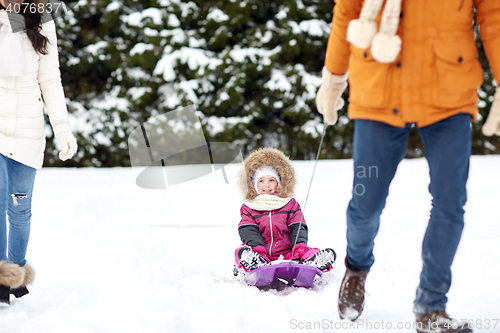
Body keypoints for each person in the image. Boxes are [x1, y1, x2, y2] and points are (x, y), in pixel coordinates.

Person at [315, 0, 500, 332]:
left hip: (449, 91)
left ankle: (431, 306)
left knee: (449, 203)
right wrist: (333, 77)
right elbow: (348, 11)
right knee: (365, 204)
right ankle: (356, 268)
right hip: (378, 89)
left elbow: (493, 16)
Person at [0, 0, 77, 305]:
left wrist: (62, 128)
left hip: (29, 128)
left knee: (20, 207)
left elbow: (50, 80)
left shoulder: (41, 19)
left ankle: (15, 272)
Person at [234, 147, 336, 273]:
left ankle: (312, 262)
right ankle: (255, 264)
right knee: (240, 251)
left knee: (308, 251)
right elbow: (248, 230)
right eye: (261, 181)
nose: (267, 185)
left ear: (279, 182)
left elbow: (298, 226)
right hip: (261, 254)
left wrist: (298, 248)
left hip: (290, 254)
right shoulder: (249, 207)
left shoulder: (289, 204)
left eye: (272, 180)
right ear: (254, 185)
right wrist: (258, 250)